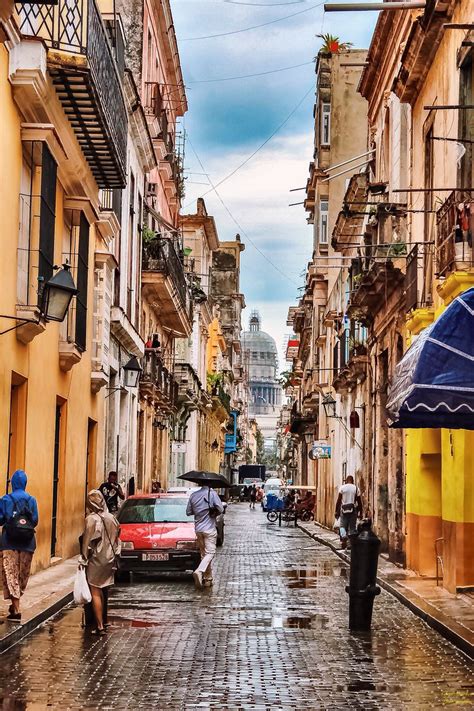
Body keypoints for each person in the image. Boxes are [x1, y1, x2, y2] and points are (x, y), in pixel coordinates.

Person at [79, 490, 121, 635]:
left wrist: (83, 557)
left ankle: (99, 626)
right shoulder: (111, 517)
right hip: (110, 558)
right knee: (103, 588)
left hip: (97, 559)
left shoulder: (91, 519)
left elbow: (87, 542)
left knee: (95, 590)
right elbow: (117, 535)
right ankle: (104, 619)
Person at [0, 470, 38, 622]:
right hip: (28, 544)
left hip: (9, 542)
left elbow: (1, 519)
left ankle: (16, 608)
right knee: (22, 575)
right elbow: (35, 521)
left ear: (13, 483)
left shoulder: (5, 499)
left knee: (11, 574)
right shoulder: (32, 500)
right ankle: (15, 604)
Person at [186, 486, 224, 589]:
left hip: (198, 529)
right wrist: (211, 510)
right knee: (210, 553)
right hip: (209, 529)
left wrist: (199, 510)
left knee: (204, 555)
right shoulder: (212, 494)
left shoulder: (193, 495)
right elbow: (220, 508)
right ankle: (199, 571)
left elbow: (188, 512)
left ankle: (208, 579)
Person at [335, 475, 362, 549]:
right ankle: (350, 544)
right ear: (352, 481)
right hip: (353, 510)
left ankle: (344, 536)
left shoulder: (342, 488)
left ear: (346, 481)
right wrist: (361, 512)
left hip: (343, 509)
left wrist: (336, 511)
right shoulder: (356, 488)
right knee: (352, 527)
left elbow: (339, 500)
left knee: (342, 526)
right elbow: (359, 502)